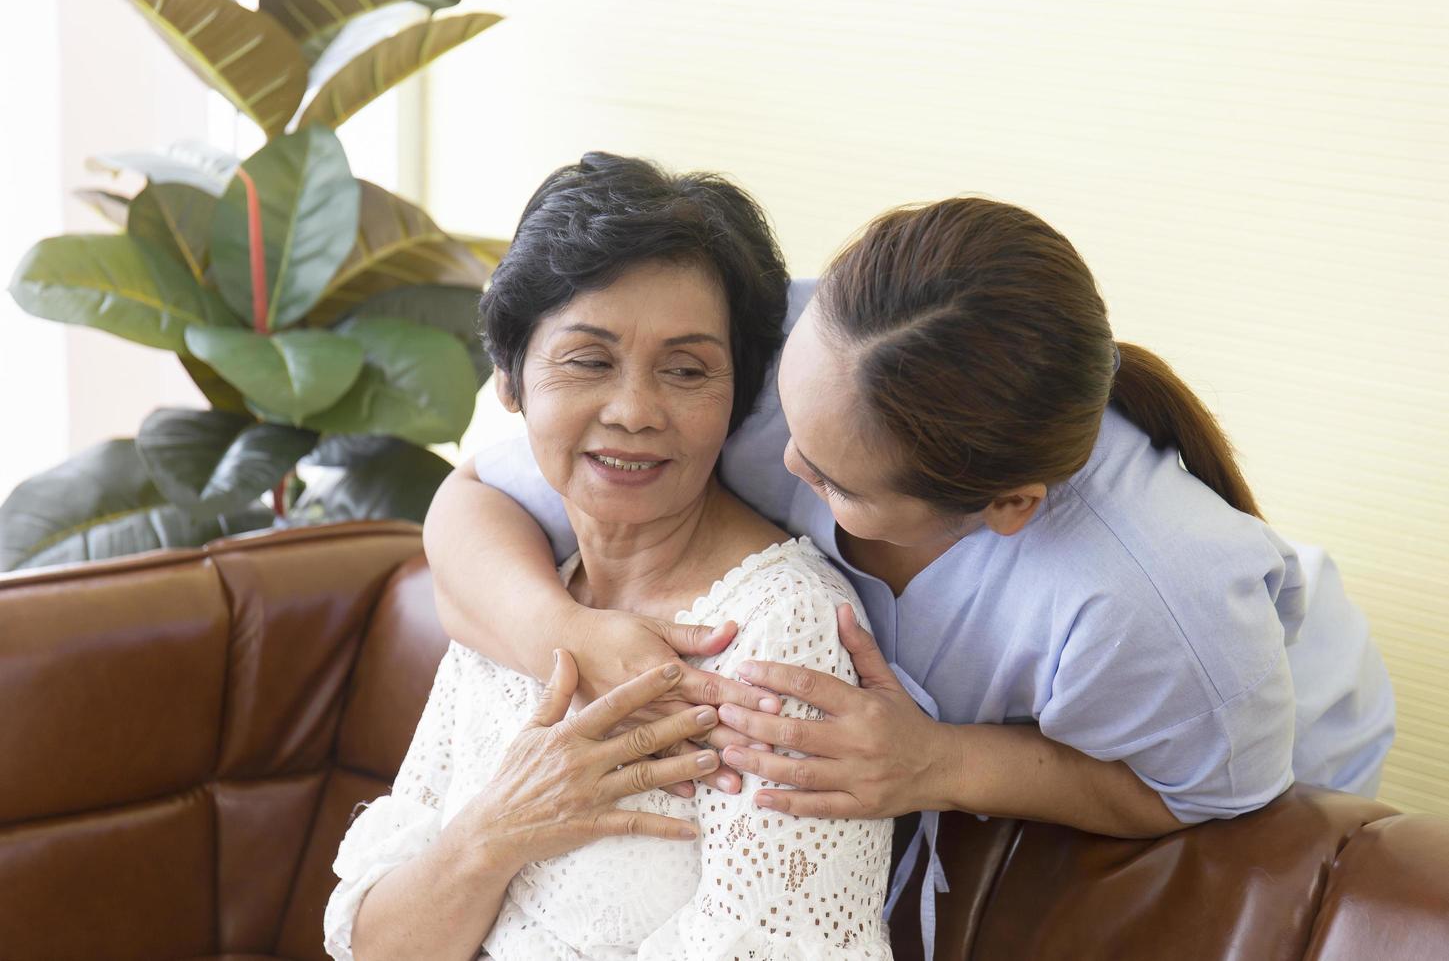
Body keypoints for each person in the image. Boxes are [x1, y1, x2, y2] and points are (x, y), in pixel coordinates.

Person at [425, 194, 1396, 957]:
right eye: (789, 424)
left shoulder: (1144, 607)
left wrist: (941, 761)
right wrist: (576, 635)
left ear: (1008, 505)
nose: (779, 464)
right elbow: (474, 499)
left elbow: (1191, 791)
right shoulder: (783, 363)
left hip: (1227, 739)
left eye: (832, 477)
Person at [324, 153, 896, 960]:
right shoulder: (524, 597)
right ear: (511, 379)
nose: (633, 411)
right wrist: (496, 831)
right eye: (588, 360)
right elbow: (376, 945)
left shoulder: (780, 634)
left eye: (687, 369)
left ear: (739, 395)